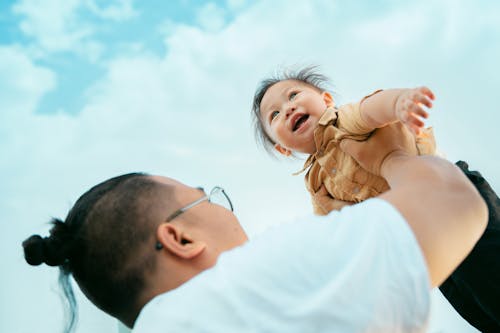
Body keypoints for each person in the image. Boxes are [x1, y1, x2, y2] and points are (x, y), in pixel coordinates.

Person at [23, 123, 487, 332]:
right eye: (206, 197)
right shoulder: (244, 289)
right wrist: (390, 155)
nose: (228, 211)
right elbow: (453, 202)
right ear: (180, 238)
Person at [251, 66, 500, 332]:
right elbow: (332, 227)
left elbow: (373, 108)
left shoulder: (343, 122)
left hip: (451, 196)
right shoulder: (317, 182)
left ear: (326, 100)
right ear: (282, 148)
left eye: (293, 95)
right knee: (477, 305)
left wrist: (399, 103)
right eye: (275, 114)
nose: (288, 108)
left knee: (491, 270)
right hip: (421, 240)